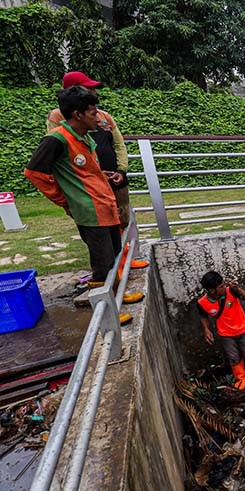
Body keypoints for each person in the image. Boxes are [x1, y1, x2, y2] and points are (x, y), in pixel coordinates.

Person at [25, 86, 139, 324]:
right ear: (77, 114)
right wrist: (65, 200)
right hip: (90, 213)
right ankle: (108, 315)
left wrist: (105, 175)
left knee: (115, 256)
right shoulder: (56, 139)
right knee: (102, 264)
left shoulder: (84, 138)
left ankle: (118, 298)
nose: (98, 117)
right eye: (93, 112)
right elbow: (34, 172)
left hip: (105, 206)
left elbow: (83, 171)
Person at [47, 71, 149, 270]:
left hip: (111, 178)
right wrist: (63, 197)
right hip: (88, 186)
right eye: (88, 88)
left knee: (121, 220)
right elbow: (58, 157)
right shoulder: (60, 120)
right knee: (99, 230)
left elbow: (119, 144)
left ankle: (124, 260)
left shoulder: (103, 116)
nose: (93, 92)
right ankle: (112, 271)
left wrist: (122, 170)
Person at [197, 271, 245, 390]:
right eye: (221, 286)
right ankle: (240, 378)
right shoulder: (202, 303)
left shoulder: (231, 291)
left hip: (243, 330)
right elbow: (203, 316)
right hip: (226, 335)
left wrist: (238, 290)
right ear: (212, 290)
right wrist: (206, 329)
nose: (224, 287)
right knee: (234, 358)